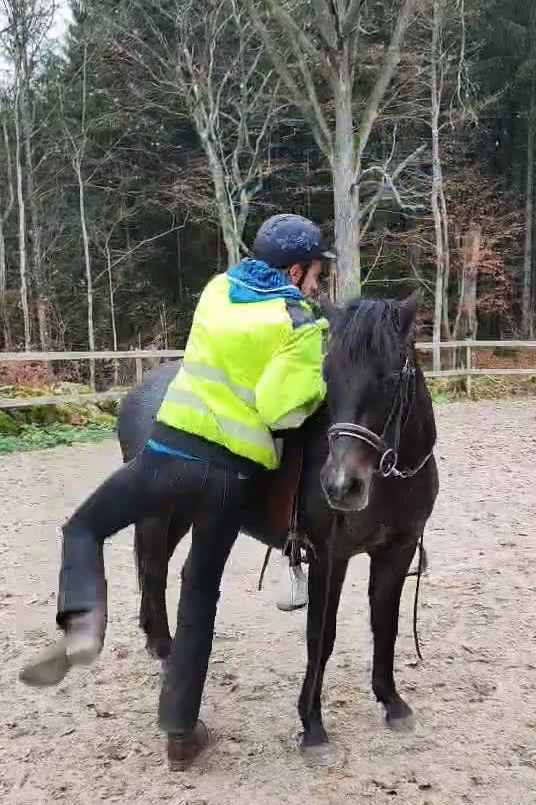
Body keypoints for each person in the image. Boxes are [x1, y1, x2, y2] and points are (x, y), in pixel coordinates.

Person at [19, 213, 333, 762]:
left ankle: (85, 625)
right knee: (198, 596)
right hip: (230, 477)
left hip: (165, 454)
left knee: (84, 527)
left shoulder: (216, 290)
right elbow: (283, 412)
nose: (317, 283)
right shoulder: (300, 326)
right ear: (296, 268)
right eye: (315, 272)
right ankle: (180, 736)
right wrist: (311, 384)